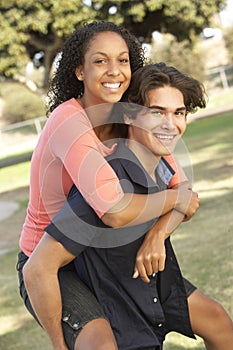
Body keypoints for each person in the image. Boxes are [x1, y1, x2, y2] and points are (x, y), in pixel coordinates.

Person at [23, 64, 233, 349]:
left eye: (179, 113)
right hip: (111, 289)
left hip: (143, 279)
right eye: (157, 112)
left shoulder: (160, 164)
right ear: (130, 116)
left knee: (218, 321)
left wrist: (158, 234)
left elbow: (187, 199)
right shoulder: (108, 183)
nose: (170, 125)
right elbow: (37, 267)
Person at [16, 21, 189, 350]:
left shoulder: (129, 118)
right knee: (100, 343)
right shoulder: (68, 121)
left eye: (122, 60)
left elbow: (185, 194)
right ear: (79, 70)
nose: (114, 70)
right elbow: (114, 211)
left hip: (102, 256)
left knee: (211, 316)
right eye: (100, 61)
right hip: (50, 264)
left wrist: (157, 234)